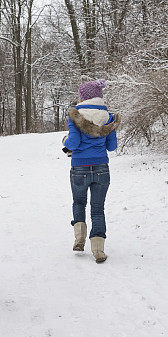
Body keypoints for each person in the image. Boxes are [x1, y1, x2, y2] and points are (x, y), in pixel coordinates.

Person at [62, 79, 120, 263]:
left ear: (84, 97)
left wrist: (64, 141)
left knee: (79, 202)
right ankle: (98, 250)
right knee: (98, 208)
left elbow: (74, 143)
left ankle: (79, 239)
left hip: (79, 167)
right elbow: (112, 146)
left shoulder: (76, 115)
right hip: (102, 168)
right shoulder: (109, 118)